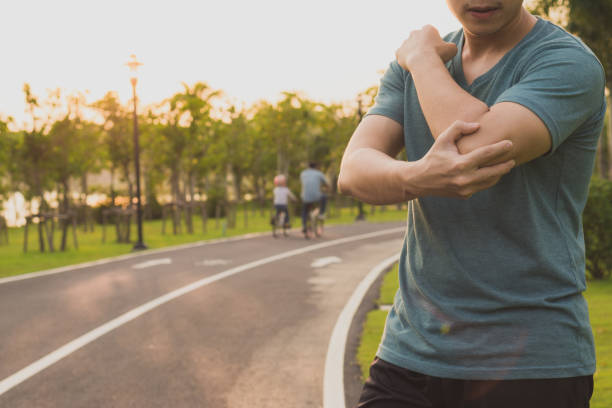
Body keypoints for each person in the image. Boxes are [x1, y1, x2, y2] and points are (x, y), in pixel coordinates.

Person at [337, 1, 606, 407]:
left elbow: (475, 152)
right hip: (411, 352)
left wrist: (423, 59)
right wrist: (418, 176)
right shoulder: (411, 67)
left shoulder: (566, 62)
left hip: (531, 362)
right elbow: (353, 171)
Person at [300, 162, 329, 238]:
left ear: (308, 167)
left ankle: (304, 225)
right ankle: (321, 214)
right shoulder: (319, 173)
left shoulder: (303, 173)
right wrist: (328, 188)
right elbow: (326, 184)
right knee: (324, 196)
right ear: (316, 167)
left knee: (305, 211)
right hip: (316, 196)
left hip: (305, 197)